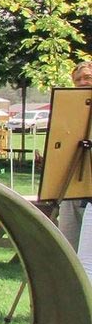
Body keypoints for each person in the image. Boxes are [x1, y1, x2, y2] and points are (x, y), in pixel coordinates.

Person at [59, 61, 92, 250]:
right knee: (68, 243)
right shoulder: (69, 109)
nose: (82, 82)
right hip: (71, 184)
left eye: (87, 77)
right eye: (78, 79)